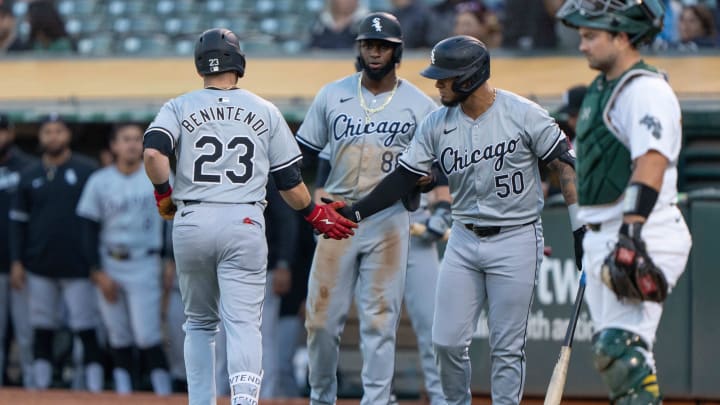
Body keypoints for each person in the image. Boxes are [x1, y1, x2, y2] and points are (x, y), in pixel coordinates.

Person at [332, 35, 584, 405]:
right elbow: (403, 177)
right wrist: (355, 212)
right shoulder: (436, 123)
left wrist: (579, 227)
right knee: (446, 342)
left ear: (468, 78)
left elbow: (565, 165)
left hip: (516, 237)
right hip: (464, 238)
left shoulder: (523, 113)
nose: (437, 84)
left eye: (444, 77)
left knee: (506, 348)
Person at [141, 27, 356, 405]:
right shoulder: (265, 109)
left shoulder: (178, 105)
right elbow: (289, 180)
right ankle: (243, 400)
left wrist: (164, 194)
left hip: (193, 219)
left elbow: (153, 155)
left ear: (199, 64)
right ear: (239, 63)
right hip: (244, 220)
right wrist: (312, 213)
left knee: (200, 324)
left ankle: (202, 401)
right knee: (243, 324)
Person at [295, 12, 439, 405]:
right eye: (368, 45)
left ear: (397, 51)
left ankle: (377, 400)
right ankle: (321, 396)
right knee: (321, 322)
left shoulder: (420, 104)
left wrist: (427, 178)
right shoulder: (332, 94)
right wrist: (308, 199)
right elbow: (302, 155)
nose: (375, 52)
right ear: (359, 48)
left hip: (389, 219)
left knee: (380, 320)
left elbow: (437, 169)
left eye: (383, 46)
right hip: (336, 215)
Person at [557, 1, 693, 403]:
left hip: (643, 230)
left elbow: (650, 160)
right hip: (605, 234)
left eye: (591, 36)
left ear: (621, 37)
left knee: (621, 351)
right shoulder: (602, 89)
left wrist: (632, 229)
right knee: (616, 354)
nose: (581, 45)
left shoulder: (645, 89)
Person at [76, 123, 172, 395]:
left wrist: (171, 261)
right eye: (125, 139)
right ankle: (122, 393)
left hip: (145, 261)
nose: (131, 144)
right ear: (113, 146)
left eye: (136, 139)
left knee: (147, 334)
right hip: (111, 261)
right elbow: (87, 228)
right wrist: (97, 271)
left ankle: (163, 395)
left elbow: (173, 222)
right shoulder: (100, 180)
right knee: (118, 334)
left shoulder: (159, 176)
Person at [9, 114, 103, 391]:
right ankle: (41, 388)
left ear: (68, 135)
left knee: (85, 327)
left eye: (58, 131)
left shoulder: (87, 170)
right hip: (39, 265)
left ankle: (93, 388)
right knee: (42, 328)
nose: (53, 137)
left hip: (79, 266)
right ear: (41, 136)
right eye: (47, 131)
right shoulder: (28, 175)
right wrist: (17, 261)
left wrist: (95, 263)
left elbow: (96, 222)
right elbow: (18, 222)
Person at [0, 113, 35, 388]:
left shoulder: (27, 167)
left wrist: (18, 260)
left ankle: (34, 390)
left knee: (26, 333)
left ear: (10, 133)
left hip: (22, 264)